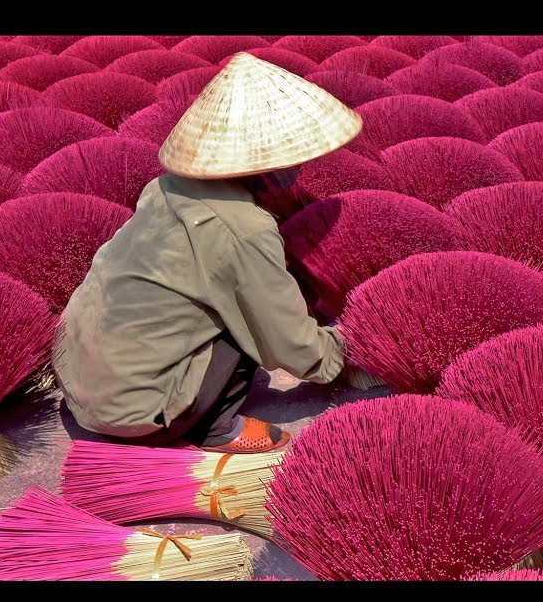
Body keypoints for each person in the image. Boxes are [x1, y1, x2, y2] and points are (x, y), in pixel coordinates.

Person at [53, 53, 362, 454]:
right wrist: (345, 347)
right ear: (261, 163)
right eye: (293, 157)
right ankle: (216, 427)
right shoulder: (245, 229)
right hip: (138, 412)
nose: (300, 166)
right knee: (248, 318)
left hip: (78, 376)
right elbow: (289, 344)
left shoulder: (166, 186)